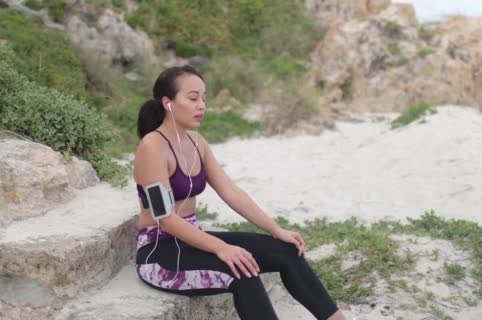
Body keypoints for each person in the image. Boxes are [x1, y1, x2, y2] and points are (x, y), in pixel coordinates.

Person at [133, 65, 346, 320]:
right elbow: (165, 218)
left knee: (286, 252)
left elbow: (231, 191)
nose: (201, 105)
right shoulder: (152, 147)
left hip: (192, 239)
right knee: (242, 270)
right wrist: (221, 247)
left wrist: (276, 230)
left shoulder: (197, 142)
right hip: (160, 250)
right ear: (167, 103)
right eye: (193, 98)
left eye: (204, 98)